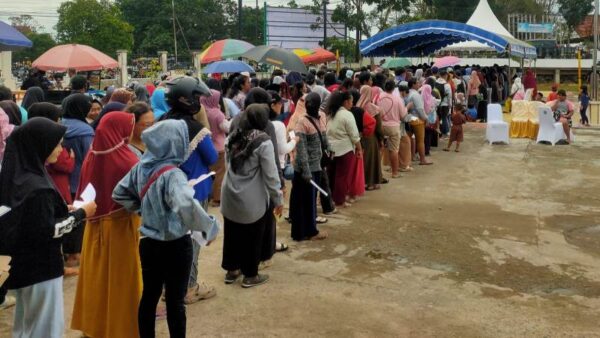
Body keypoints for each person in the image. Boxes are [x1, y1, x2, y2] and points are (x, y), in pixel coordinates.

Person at [113, 119, 219, 338]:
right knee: (175, 302)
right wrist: (209, 227)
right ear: (174, 143)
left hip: (149, 243)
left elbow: (119, 193)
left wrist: (144, 211)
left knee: (150, 296)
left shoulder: (141, 165)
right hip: (176, 245)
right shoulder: (174, 174)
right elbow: (185, 205)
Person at [0, 118, 96, 338]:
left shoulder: (18, 176)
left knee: (26, 325)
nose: (61, 150)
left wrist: (62, 209)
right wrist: (81, 214)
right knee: (46, 327)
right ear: (40, 145)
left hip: (21, 265)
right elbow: (47, 231)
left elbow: (29, 220)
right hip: (41, 267)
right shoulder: (38, 187)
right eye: (57, 144)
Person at [71, 112, 142, 338]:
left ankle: (94, 326)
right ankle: (121, 328)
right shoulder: (128, 160)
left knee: (96, 278)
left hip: (93, 226)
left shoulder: (92, 156)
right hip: (121, 226)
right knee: (121, 280)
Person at [161, 76, 219, 304]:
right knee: (193, 241)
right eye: (197, 98)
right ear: (187, 100)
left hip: (167, 190)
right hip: (194, 192)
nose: (200, 102)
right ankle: (189, 287)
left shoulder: (161, 121)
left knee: (171, 241)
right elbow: (212, 157)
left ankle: (170, 287)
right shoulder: (196, 129)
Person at [221, 103, 284, 287]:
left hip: (229, 193)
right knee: (253, 236)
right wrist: (277, 199)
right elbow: (271, 176)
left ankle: (232, 270)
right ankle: (250, 275)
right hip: (252, 198)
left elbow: (228, 165)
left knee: (232, 232)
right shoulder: (263, 141)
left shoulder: (233, 136)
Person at [61, 94, 94, 268]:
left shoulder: (60, 125)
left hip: (62, 180)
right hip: (81, 179)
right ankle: (75, 255)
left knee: (66, 214)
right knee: (79, 216)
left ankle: (67, 253)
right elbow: (91, 156)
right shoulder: (85, 130)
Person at [290, 92, 329, 241]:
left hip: (316, 166)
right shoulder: (302, 123)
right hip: (306, 169)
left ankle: (306, 231)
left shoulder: (320, 118)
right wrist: (306, 171)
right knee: (306, 201)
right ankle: (309, 232)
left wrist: (328, 149)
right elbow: (302, 149)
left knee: (310, 200)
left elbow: (323, 138)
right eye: (308, 104)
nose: (310, 106)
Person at [326, 91, 362, 208]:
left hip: (330, 150)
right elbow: (354, 135)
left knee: (331, 175)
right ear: (346, 102)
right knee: (342, 176)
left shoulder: (331, 114)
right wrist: (359, 149)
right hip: (344, 150)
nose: (352, 104)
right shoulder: (347, 115)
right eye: (351, 101)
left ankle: (328, 198)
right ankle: (339, 200)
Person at [201, 89, 230, 207]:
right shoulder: (217, 113)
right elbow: (226, 128)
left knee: (209, 172)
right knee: (220, 173)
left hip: (206, 146)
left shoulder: (201, 111)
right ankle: (217, 198)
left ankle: (208, 195)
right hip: (219, 146)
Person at [357, 83, 384, 190]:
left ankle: (361, 182)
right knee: (372, 160)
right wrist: (381, 139)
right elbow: (378, 127)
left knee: (362, 161)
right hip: (371, 138)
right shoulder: (374, 108)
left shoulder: (356, 106)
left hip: (359, 137)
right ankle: (371, 183)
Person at [376, 80, 405, 178]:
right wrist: (408, 107)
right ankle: (395, 173)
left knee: (379, 149)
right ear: (393, 88)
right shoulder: (397, 99)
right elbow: (403, 115)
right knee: (394, 150)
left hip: (380, 125)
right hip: (393, 126)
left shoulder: (378, 97)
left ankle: (377, 173)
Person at [405, 79, 433, 165]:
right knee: (420, 141)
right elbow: (420, 109)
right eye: (417, 83)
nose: (419, 84)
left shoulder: (407, 93)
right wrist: (426, 118)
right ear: (413, 84)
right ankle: (422, 159)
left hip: (408, 118)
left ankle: (408, 159)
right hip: (416, 118)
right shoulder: (416, 95)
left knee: (408, 140)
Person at [421, 84, 440, 156]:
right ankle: (427, 150)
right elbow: (435, 108)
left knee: (421, 135)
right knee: (428, 135)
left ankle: (421, 151)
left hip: (422, 119)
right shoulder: (433, 99)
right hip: (431, 120)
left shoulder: (420, 98)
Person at [436, 69, 453, 137]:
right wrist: (450, 105)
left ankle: (437, 131)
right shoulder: (447, 85)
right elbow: (449, 96)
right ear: (445, 75)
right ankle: (445, 131)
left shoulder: (435, 82)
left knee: (437, 117)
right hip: (445, 104)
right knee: (444, 118)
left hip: (436, 103)